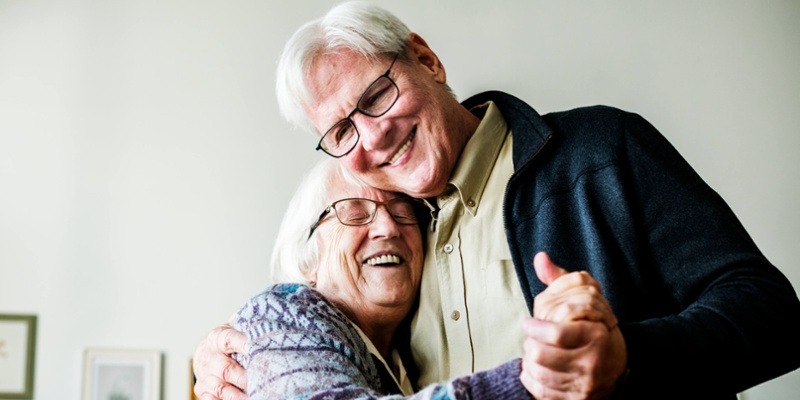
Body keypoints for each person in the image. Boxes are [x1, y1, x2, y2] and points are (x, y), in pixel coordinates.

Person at [193, 1, 800, 399]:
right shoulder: (389, 240)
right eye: (341, 131)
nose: (372, 135)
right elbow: (311, 349)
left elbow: (774, 316)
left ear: (426, 59)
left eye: (375, 95)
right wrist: (211, 371)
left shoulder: (601, 151)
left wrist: (627, 357)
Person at [228, 157, 609, 399]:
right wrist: (534, 378)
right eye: (355, 212)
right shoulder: (278, 314)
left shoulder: (406, 356)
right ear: (307, 255)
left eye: (402, 210)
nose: (387, 227)